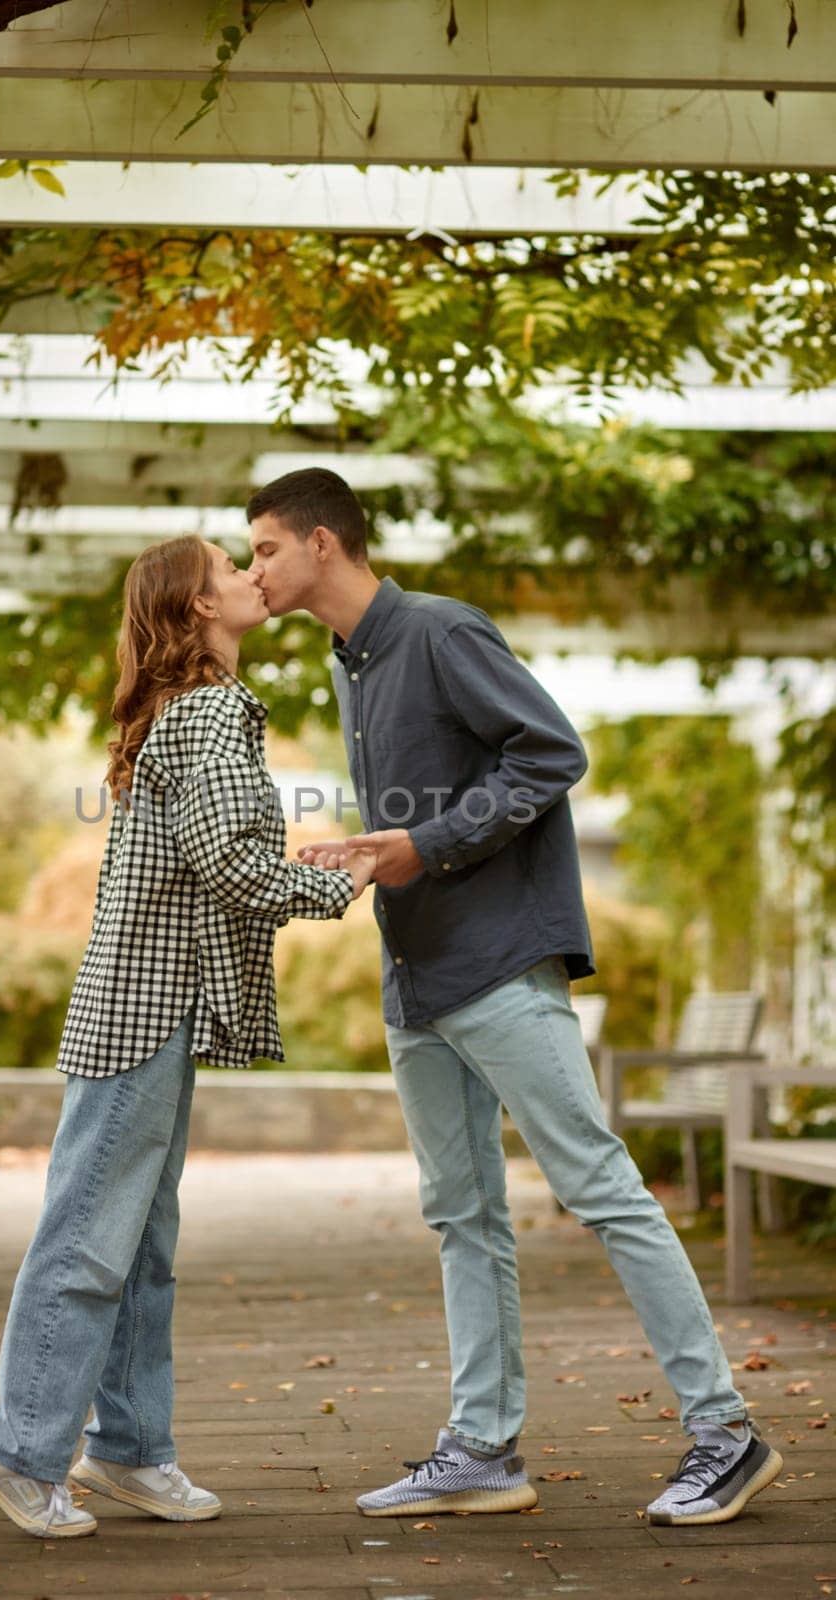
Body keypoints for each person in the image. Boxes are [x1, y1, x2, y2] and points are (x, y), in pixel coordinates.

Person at [246, 467, 783, 1528]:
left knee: (600, 1186)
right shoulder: (350, 663)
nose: (251, 568)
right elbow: (429, 810)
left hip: (497, 963)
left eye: (262, 547)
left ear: (321, 542)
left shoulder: (443, 632)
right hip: (418, 977)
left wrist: (425, 844)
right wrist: (378, 848)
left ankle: (726, 1429)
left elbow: (553, 752)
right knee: (463, 1215)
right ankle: (483, 1448)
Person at [0, 534, 374, 1538]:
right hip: (145, 1013)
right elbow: (231, 863)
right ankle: (20, 1451)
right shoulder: (214, 710)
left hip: (150, 1009)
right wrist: (341, 882)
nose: (250, 576)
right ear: (195, 608)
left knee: (140, 1244)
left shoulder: (177, 712)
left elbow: (206, 860)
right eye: (233, 569)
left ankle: (132, 1449)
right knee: (91, 1239)